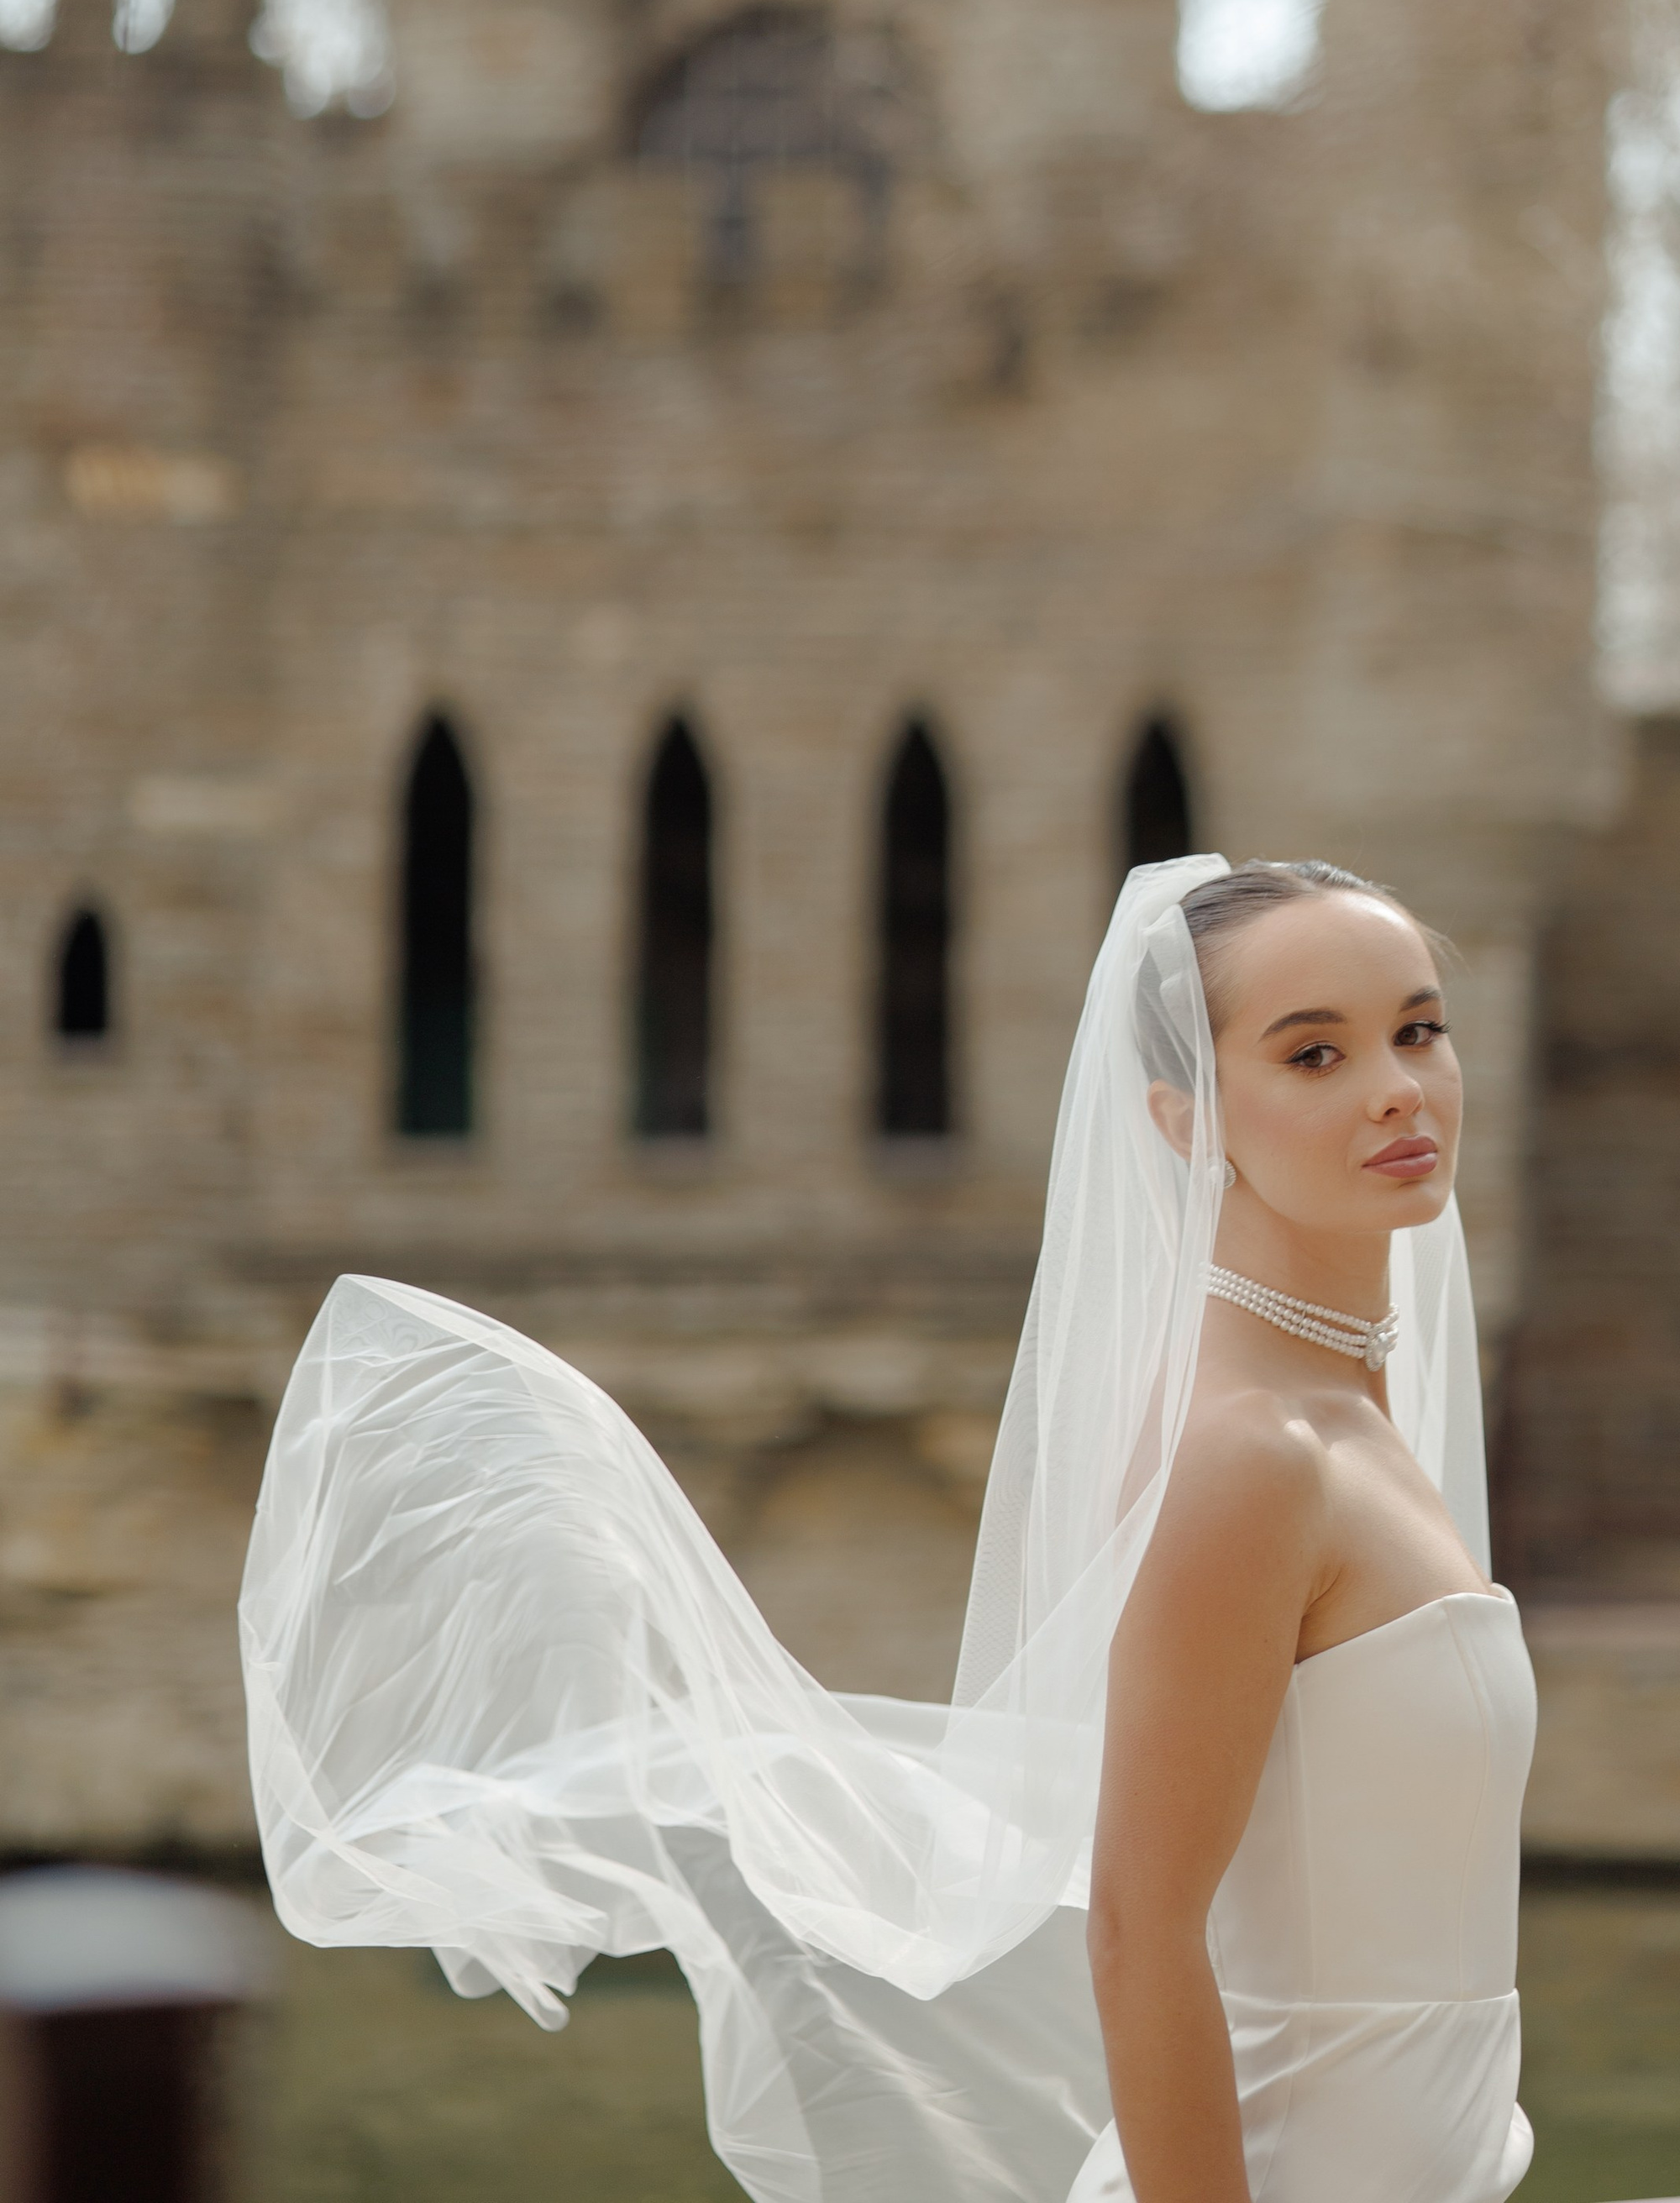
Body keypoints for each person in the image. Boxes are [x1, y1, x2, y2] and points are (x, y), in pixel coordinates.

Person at [243, 857, 1533, 2203]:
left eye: (1419, 1030)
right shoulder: (1256, 1457)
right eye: (1315, 1054)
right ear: (1183, 1118)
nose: (1398, 1085)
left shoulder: (1358, 1428)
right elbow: (1141, 1937)